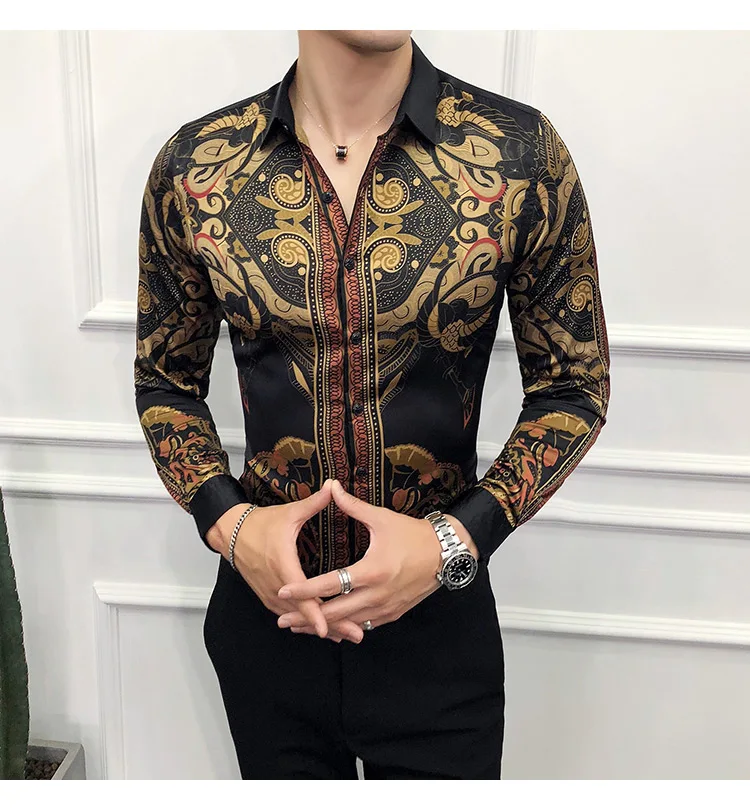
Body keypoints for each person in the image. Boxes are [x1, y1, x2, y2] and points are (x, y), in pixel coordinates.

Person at [134, 29, 610, 780]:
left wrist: (452, 541)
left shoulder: (519, 154)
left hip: (439, 633)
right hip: (266, 621)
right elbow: (165, 379)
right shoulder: (198, 166)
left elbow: (573, 386)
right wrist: (232, 526)